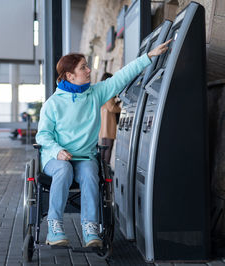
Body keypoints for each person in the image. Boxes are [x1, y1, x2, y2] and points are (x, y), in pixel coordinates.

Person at [35, 39, 171, 247]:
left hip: (84, 157)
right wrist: (57, 150)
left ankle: (90, 228)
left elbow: (122, 76)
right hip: (56, 158)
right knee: (63, 171)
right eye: (83, 68)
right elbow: (43, 136)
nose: (89, 70)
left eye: (87, 66)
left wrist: (148, 56)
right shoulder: (53, 104)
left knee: (91, 174)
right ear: (70, 76)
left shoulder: (96, 94)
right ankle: (55, 227)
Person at [98, 72, 121, 164]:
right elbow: (111, 107)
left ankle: (103, 170)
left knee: (104, 147)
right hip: (108, 123)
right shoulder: (109, 91)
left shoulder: (101, 90)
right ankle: (106, 170)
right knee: (108, 147)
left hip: (103, 122)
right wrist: (121, 109)